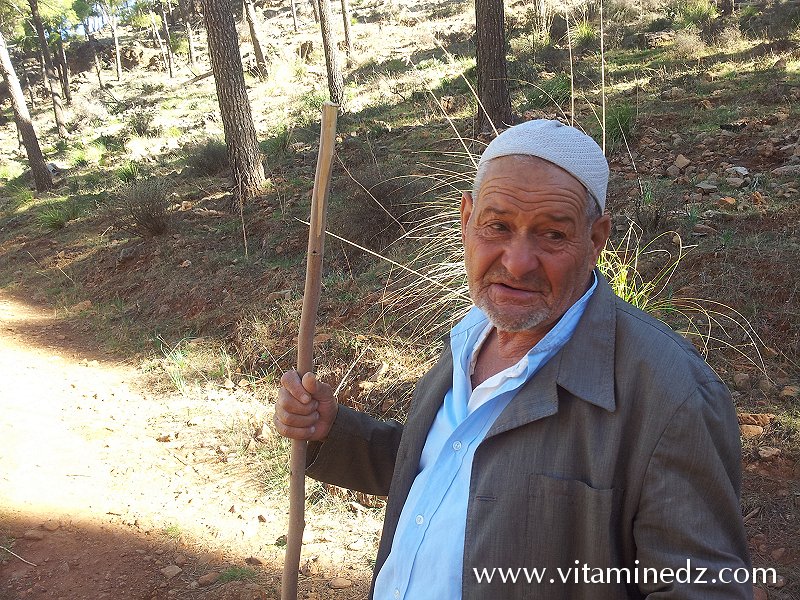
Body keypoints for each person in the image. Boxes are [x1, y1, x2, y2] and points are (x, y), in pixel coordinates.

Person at [274, 119, 752, 599]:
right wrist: (334, 433)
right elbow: (452, 468)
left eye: (553, 235)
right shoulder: (469, 339)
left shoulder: (670, 394)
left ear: (596, 239)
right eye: (497, 226)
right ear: (467, 219)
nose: (518, 262)